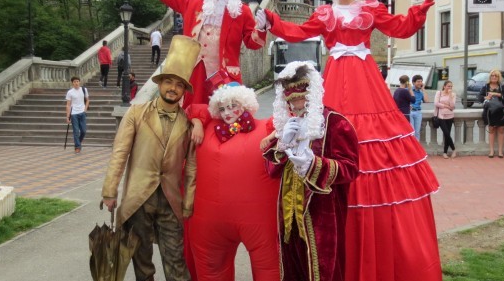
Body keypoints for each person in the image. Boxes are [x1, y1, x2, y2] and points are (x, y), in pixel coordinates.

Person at [255, 0, 442, 278]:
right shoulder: (324, 15)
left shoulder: (370, 8)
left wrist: (418, 11)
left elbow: (400, 28)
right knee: (331, 132)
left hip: (366, 81)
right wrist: (271, 19)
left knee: (375, 141)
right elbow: (298, 32)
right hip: (336, 79)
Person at [101, 36, 200, 281]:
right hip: (138, 200)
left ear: (183, 91)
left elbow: (191, 168)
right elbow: (119, 153)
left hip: (170, 202)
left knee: (175, 262)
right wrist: (110, 191)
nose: (173, 88)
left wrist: (188, 202)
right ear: (160, 83)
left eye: (179, 85)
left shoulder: (188, 124)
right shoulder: (136, 113)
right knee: (142, 265)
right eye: (169, 82)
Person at [262, 61, 359, 281]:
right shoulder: (287, 124)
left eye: (301, 97)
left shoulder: (336, 123)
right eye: (291, 100)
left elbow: (350, 169)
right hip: (289, 216)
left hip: (321, 214)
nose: (297, 104)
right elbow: (271, 170)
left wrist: (313, 164)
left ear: (313, 93)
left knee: (323, 270)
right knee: (293, 269)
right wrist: (282, 145)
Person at [129, 0, 267, 108]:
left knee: (226, 119)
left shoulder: (241, 11)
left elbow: (253, 44)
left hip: (226, 76)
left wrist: (262, 28)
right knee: (192, 116)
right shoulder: (193, 2)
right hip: (195, 73)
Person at [184, 83, 280, 281]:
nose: (227, 113)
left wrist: (277, 133)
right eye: (222, 108)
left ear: (245, 105)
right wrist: (198, 122)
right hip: (210, 222)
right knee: (210, 270)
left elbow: (292, 121)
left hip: (258, 221)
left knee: (269, 269)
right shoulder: (210, 128)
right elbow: (193, 109)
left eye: (232, 106)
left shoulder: (266, 128)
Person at [478, 69, 504, 158]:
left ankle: (500, 151)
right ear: (490, 77)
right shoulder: (485, 87)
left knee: (501, 130)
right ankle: (491, 151)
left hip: (501, 112)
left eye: (496, 76)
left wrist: (497, 94)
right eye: (492, 75)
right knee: (491, 130)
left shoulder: (502, 87)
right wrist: (486, 97)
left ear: (499, 77)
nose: (494, 77)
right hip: (490, 112)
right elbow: (480, 98)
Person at [65, 76, 89, 154]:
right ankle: (77, 146)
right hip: (74, 113)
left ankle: (78, 141)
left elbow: (87, 100)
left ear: (79, 82)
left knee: (83, 131)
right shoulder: (70, 92)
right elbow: (68, 105)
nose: (76, 83)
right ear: (72, 83)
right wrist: (68, 116)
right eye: (74, 82)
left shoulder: (84, 90)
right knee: (76, 131)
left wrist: (85, 109)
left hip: (82, 112)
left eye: (77, 81)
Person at [434, 81, 456, 159]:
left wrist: (450, 95)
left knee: (447, 135)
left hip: (450, 116)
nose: (449, 88)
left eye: (451, 87)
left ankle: (445, 152)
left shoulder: (453, 94)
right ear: (444, 86)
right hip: (441, 116)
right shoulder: (439, 93)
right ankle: (454, 149)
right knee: (446, 133)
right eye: (448, 86)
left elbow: (453, 106)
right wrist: (446, 106)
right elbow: (436, 103)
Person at [410, 75, 426, 142]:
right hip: (410, 112)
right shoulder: (409, 90)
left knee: (417, 132)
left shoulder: (421, 92)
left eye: (421, 81)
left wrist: (423, 90)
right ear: (413, 82)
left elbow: (426, 100)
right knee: (412, 131)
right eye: (418, 81)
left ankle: (417, 149)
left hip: (418, 112)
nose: (420, 83)